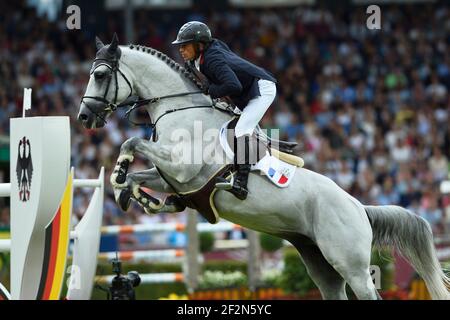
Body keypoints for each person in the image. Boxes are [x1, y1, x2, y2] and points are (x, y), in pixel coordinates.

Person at [172, 21, 277, 200]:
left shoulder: (212, 59)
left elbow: (233, 85)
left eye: (185, 45)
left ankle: (241, 184)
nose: (181, 49)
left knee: (241, 130)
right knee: (226, 124)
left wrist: (211, 90)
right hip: (245, 92)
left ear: (199, 45)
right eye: (180, 46)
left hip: (260, 88)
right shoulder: (198, 58)